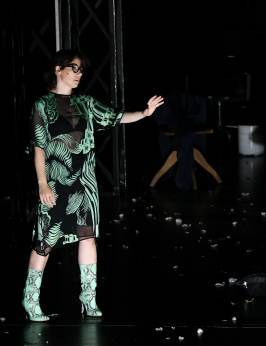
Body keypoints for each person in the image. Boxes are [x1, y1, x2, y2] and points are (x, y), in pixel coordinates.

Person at [23, 49, 164, 321]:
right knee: (45, 240)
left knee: (88, 237)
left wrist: (145, 113)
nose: (79, 74)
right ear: (57, 69)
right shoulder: (42, 105)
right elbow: (39, 147)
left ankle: (88, 298)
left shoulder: (85, 102)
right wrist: (42, 184)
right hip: (55, 181)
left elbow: (116, 117)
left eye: (81, 70)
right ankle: (30, 299)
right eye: (74, 68)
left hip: (85, 183)